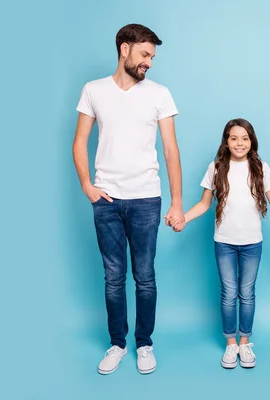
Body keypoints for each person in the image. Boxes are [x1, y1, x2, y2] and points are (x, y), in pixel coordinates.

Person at [72, 23, 184, 375]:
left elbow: (170, 149)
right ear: (125, 49)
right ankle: (117, 344)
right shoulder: (93, 90)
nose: (149, 62)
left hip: (146, 199)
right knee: (113, 276)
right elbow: (79, 143)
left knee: (145, 276)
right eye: (145, 54)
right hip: (106, 200)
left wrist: (177, 202)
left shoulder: (159, 94)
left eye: (152, 56)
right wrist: (88, 186)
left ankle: (144, 343)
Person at [169, 118, 270, 368]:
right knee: (228, 293)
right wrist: (183, 219)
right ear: (226, 141)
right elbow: (204, 204)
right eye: (234, 138)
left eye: (245, 138)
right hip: (223, 242)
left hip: (252, 244)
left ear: (251, 141)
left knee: (247, 293)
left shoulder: (261, 167)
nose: (239, 143)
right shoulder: (215, 168)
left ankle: (245, 343)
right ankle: (230, 344)